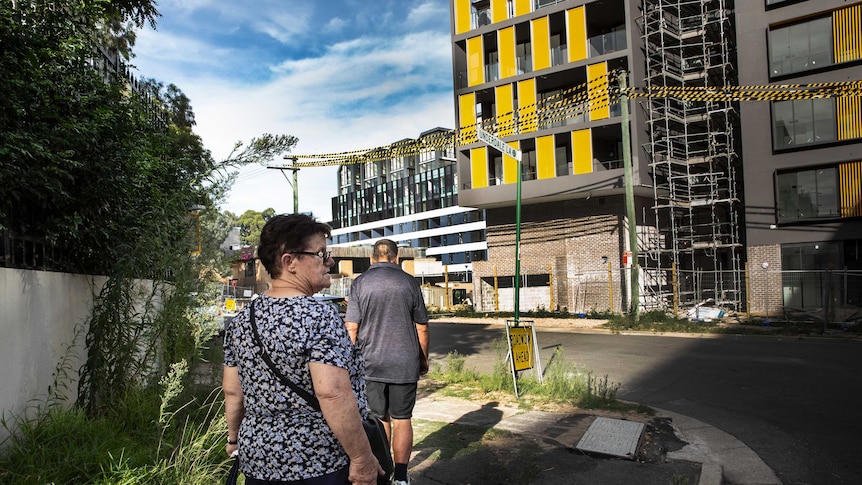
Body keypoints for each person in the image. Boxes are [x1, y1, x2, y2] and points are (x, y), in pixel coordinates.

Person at [223, 214, 383, 485]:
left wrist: (233, 438)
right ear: (289, 262)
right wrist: (362, 458)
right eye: (320, 253)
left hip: (257, 460)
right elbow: (332, 393)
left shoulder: (241, 321)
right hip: (317, 461)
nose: (329, 261)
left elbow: (232, 390)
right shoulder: (318, 316)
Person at [344, 239, 429, 485]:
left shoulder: (360, 283)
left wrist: (350, 364)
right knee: (403, 418)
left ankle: (384, 472)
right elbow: (421, 327)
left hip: (370, 363)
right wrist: (422, 358)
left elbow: (351, 327)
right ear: (397, 257)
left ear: (372, 258)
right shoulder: (409, 282)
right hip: (405, 362)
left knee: (379, 418)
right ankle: (401, 478)